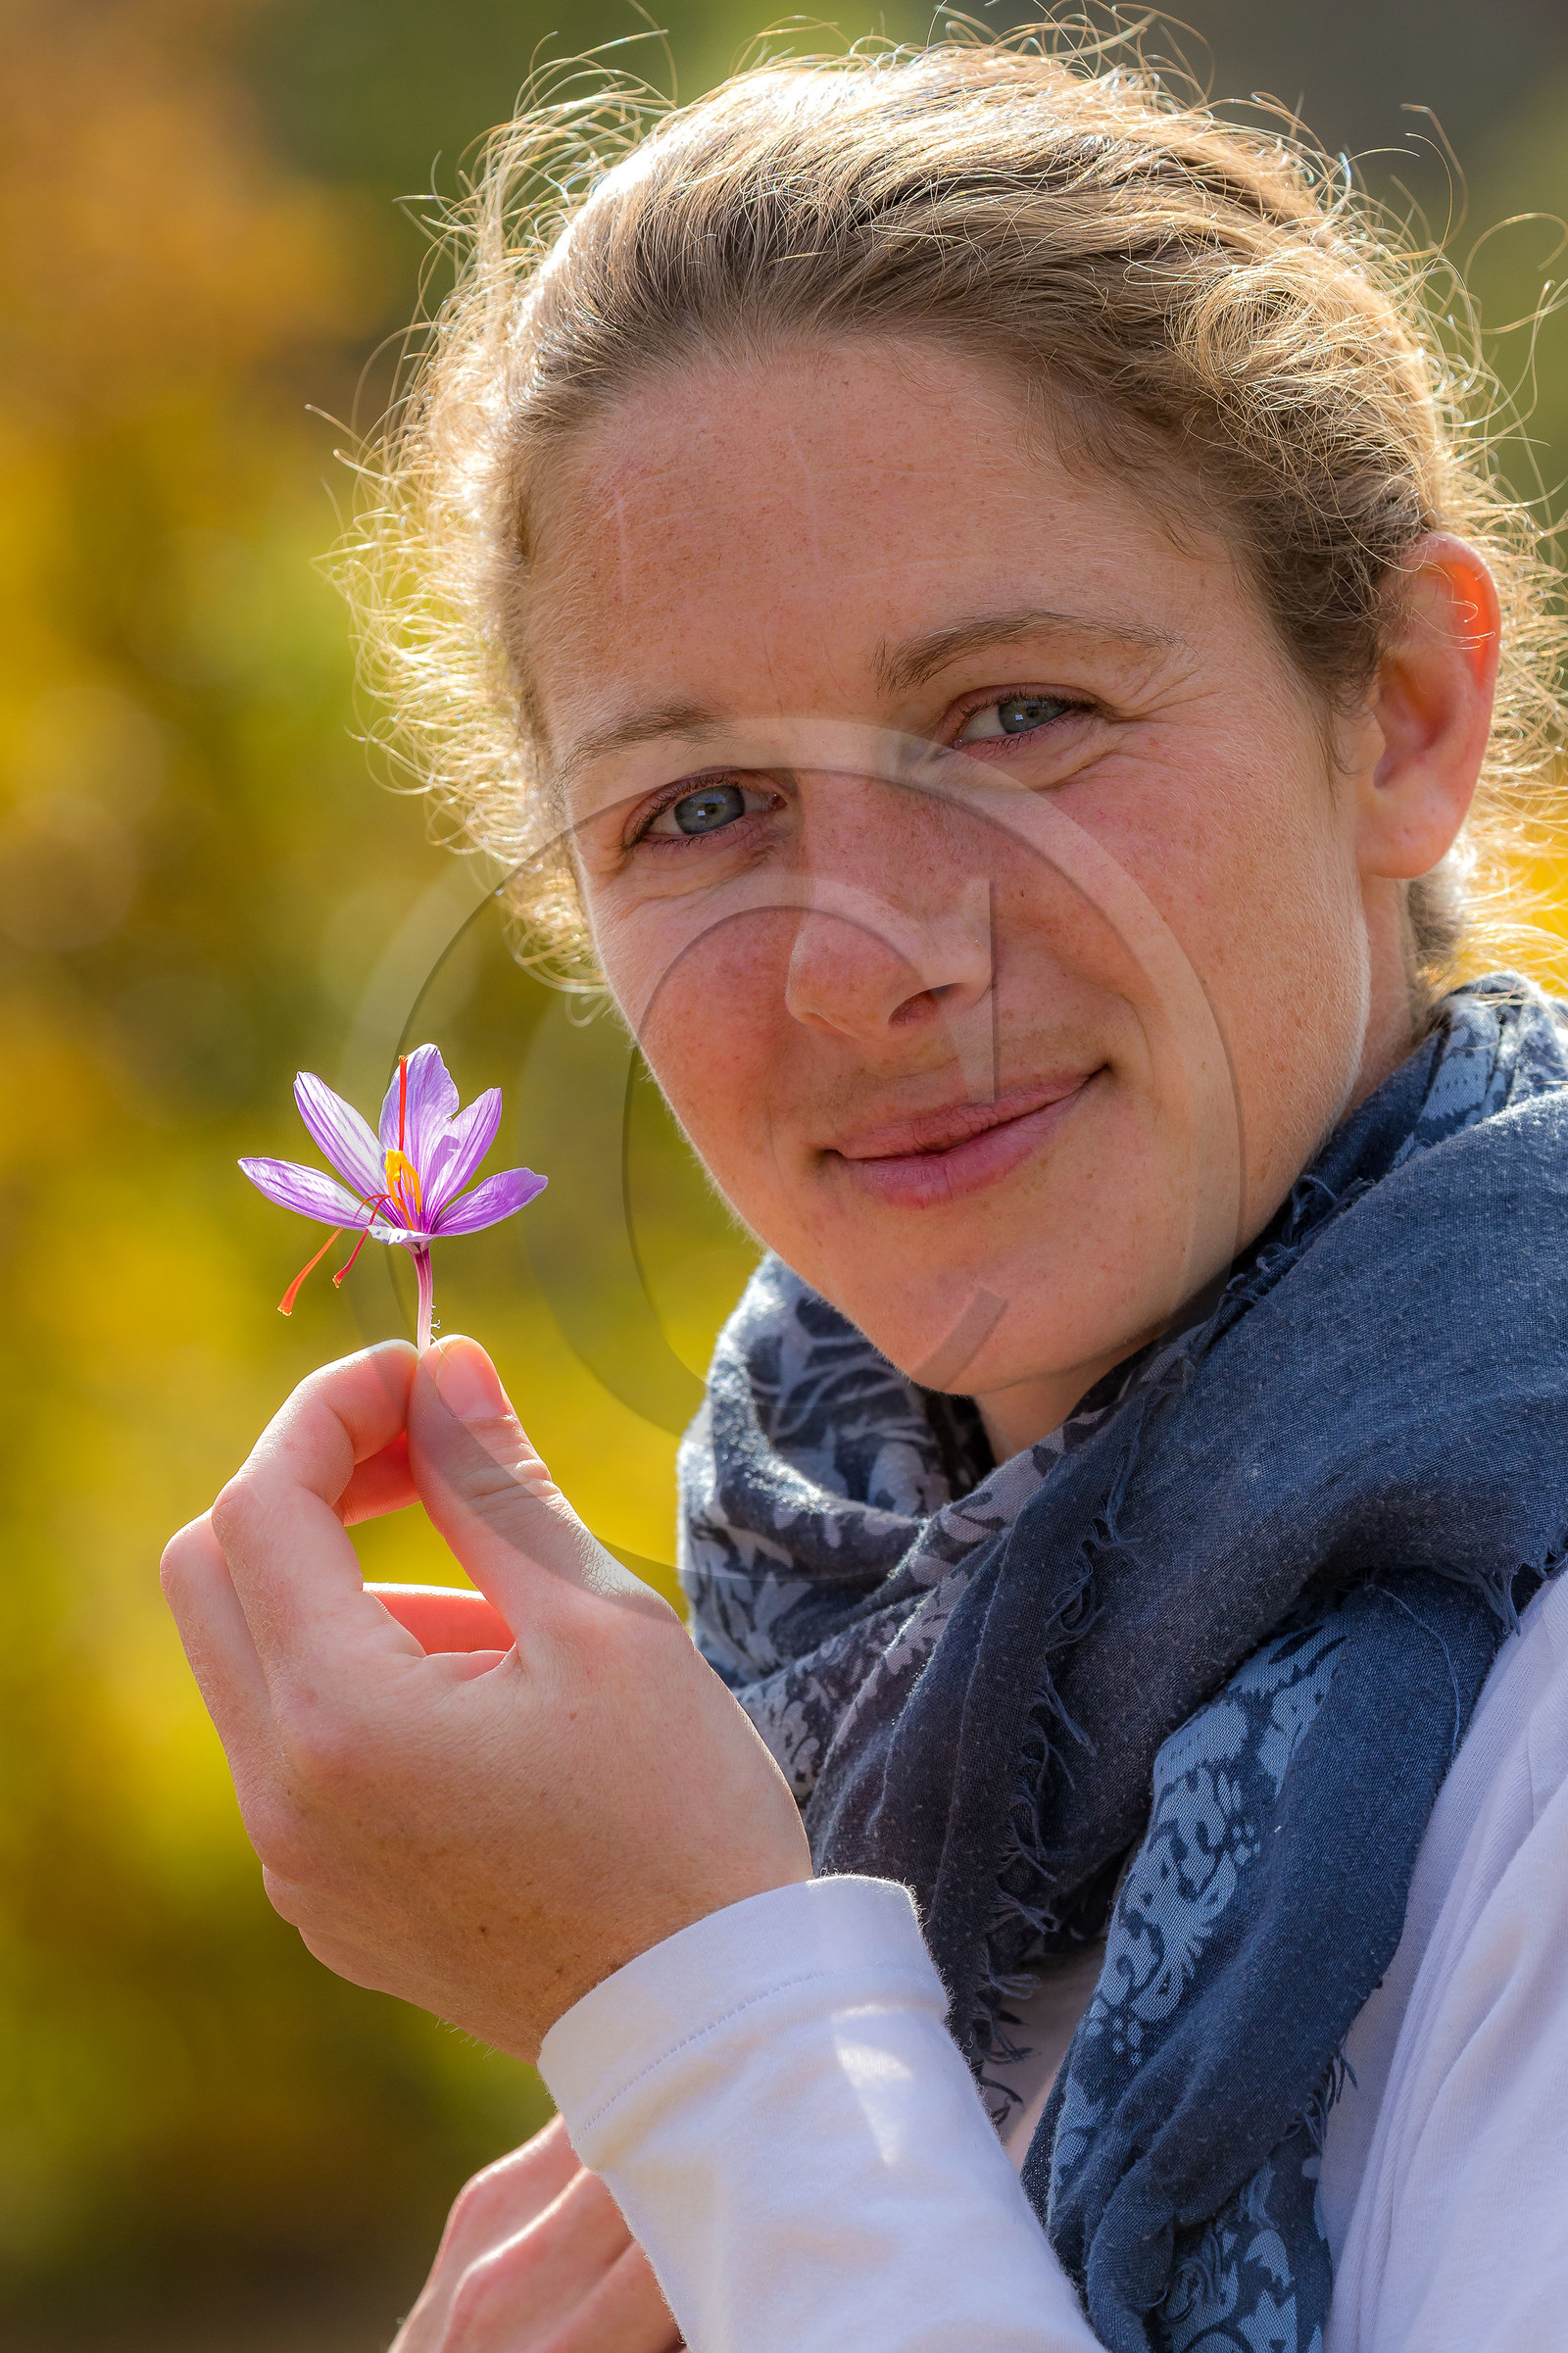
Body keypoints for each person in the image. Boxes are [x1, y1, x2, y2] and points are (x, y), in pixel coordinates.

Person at [161, 35, 1568, 2353]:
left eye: (1016, 714)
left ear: (1400, 708)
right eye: (697, 809)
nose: (865, 960)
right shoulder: (843, 1703)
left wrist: (708, 2023)